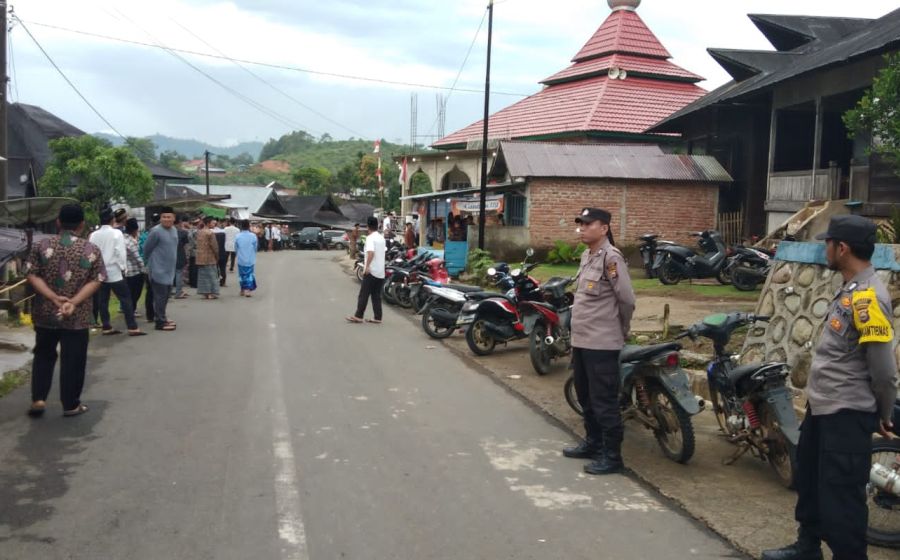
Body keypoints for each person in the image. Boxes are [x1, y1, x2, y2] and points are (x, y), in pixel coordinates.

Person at [762, 215, 897, 560]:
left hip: (846, 415)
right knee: (810, 483)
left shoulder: (868, 298)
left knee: (842, 499)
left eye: (828, 243)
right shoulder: (850, 289)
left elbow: (883, 371)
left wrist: (883, 413)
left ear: (843, 248)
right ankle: (807, 547)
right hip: (823, 409)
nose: (825, 249)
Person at [562, 208, 635, 476]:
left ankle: (613, 456)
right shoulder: (587, 255)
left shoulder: (611, 258)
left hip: (602, 342)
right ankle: (593, 444)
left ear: (604, 228)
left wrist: (622, 329)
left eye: (588, 224)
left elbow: (626, 300)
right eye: (580, 224)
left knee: (604, 401)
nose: (582, 228)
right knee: (585, 396)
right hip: (582, 340)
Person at [24, 204, 105, 417]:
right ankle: (70, 405)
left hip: (46, 312)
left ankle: (38, 399)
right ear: (82, 224)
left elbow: (31, 274)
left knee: (43, 354)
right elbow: (97, 280)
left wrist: (53, 297)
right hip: (77, 315)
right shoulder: (91, 249)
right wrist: (74, 302)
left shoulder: (41, 245)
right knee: (73, 359)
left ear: (58, 222)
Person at [89, 208, 144, 336]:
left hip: (100, 271)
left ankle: (106, 326)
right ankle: (132, 326)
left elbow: (91, 252)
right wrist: (124, 268)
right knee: (125, 298)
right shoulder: (116, 233)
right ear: (112, 219)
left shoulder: (94, 235)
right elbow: (120, 253)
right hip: (114, 270)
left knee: (103, 300)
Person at [143, 207, 179, 332]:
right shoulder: (156, 231)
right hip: (158, 269)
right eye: (164, 217)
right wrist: (149, 265)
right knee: (160, 297)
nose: (166, 219)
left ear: (174, 218)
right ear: (160, 218)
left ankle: (162, 317)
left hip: (170, 269)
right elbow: (146, 249)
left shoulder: (174, 230)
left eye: (169, 217)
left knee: (166, 296)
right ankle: (160, 322)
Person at [346, 216, 385, 324]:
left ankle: (358, 316)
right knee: (376, 295)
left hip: (371, 271)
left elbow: (371, 253)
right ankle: (378, 317)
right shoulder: (381, 238)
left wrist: (366, 266)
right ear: (377, 225)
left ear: (368, 226)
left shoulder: (370, 238)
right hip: (380, 271)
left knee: (364, 294)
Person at [123, 218, 145, 317]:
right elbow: (137, 257)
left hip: (125, 270)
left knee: (129, 292)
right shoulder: (131, 241)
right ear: (135, 230)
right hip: (134, 271)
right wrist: (144, 268)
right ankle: (131, 310)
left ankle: (130, 310)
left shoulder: (122, 238)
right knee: (135, 293)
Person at [196, 216, 220, 300]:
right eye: (213, 223)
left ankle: (205, 293)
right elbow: (215, 247)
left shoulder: (199, 232)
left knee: (203, 276)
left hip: (200, 257)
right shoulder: (210, 233)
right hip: (209, 257)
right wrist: (217, 256)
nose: (214, 224)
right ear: (208, 223)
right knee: (211, 276)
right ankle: (211, 293)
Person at [234, 219, 258, 297]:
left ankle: (242, 289)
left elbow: (236, 248)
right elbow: (255, 247)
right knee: (249, 274)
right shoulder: (253, 236)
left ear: (241, 226)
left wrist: (238, 254)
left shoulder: (238, 236)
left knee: (241, 275)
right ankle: (247, 290)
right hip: (250, 258)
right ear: (248, 226)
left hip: (241, 258)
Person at [174, 215, 190, 299]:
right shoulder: (183, 232)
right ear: (180, 222)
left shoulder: (166, 231)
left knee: (170, 274)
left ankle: (168, 292)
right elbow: (185, 244)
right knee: (179, 273)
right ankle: (178, 292)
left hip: (168, 255)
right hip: (179, 254)